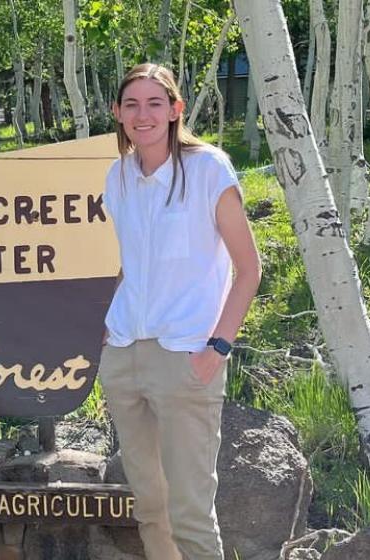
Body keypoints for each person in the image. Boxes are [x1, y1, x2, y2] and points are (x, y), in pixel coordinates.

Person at [98, 62, 262, 560]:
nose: (142, 114)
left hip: (187, 355)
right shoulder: (119, 175)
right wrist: (107, 331)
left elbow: (249, 268)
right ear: (118, 113)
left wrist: (217, 348)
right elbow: (127, 265)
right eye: (131, 104)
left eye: (154, 103)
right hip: (124, 354)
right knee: (149, 505)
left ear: (175, 110)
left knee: (190, 511)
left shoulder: (209, 168)